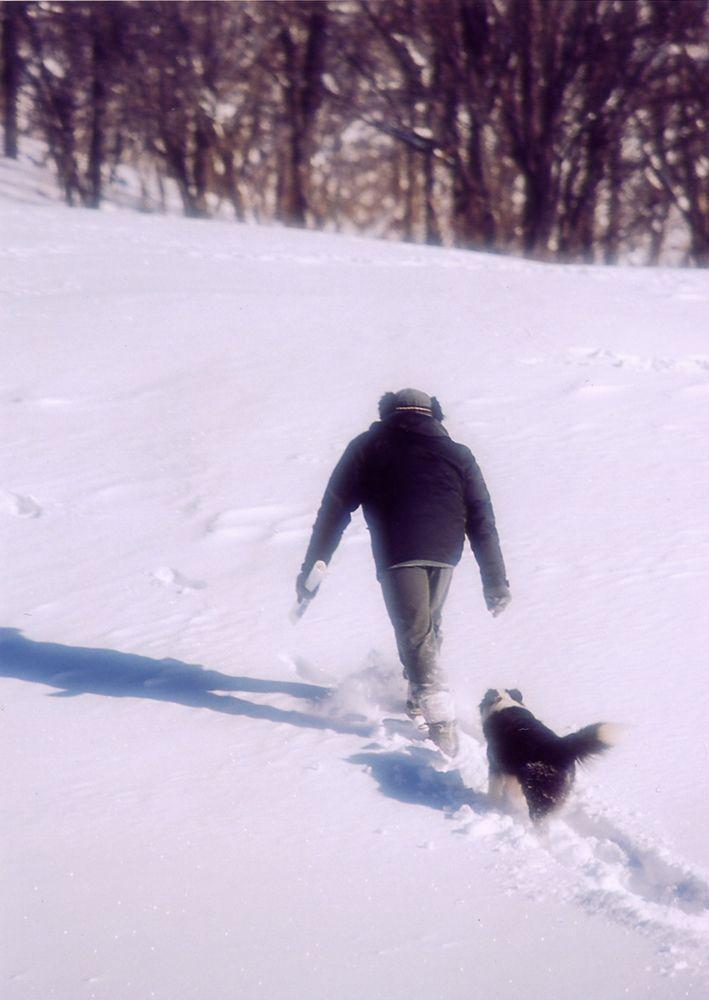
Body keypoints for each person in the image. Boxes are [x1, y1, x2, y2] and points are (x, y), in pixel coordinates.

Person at [296, 388, 510, 756]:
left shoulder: (368, 446)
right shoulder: (458, 453)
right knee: (427, 627)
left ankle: (440, 720)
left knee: (415, 631)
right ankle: (419, 695)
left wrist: (315, 563)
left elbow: (334, 509)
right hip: (445, 552)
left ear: (387, 412)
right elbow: (482, 520)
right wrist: (495, 580)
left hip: (398, 548)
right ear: (433, 414)